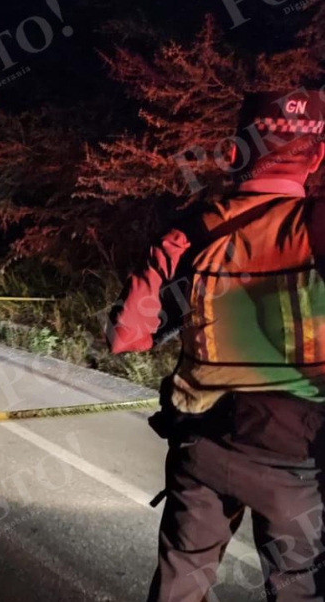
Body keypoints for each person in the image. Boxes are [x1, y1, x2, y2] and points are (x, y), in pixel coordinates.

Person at [108, 90, 325, 602]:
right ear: (317, 157)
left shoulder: (190, 233)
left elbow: (124, 336)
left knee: (181, 584)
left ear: (233, 155)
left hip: (202, 448)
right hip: (298, 463)